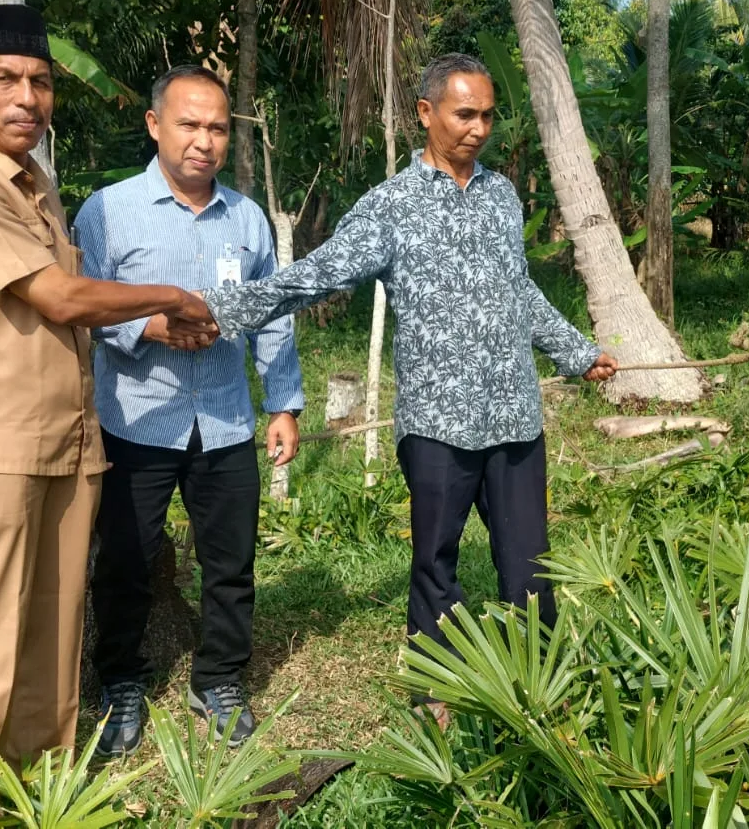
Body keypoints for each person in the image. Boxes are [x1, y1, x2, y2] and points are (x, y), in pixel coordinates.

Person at [199, 53, 618, 726]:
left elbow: (520, 293)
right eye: (464, 114)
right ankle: (436, 688)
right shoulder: (391, 206)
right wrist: (225, 310)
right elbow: (320, 273)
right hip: (436, 424)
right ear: (425, 113)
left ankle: (542, 685)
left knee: (530, 570)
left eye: (487, 114)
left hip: (514, 417)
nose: (478, 128)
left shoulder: (502, 195)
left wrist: (577, 351)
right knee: (435, 562)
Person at [0, 4, 215, 826]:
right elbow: (61, 296)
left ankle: (33, 798)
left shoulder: (33, 185)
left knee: (50, 637)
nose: (27, 97)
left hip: (63, 445)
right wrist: (172, 293)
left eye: (40, 81)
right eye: (4, 79)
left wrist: (145, 321)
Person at [72, 65, 305, 756]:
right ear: (154, 126)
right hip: (137, 419)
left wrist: (283, 403)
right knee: (125, 560)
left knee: (230, 561)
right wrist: (150, 326)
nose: (203, 140)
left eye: (217, 127)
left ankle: (221, 680)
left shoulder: (246, 218)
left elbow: (272, 315)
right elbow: (83, 300)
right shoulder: (109, 211)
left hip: (227, 419)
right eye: (189, 124)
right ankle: (120, 682)